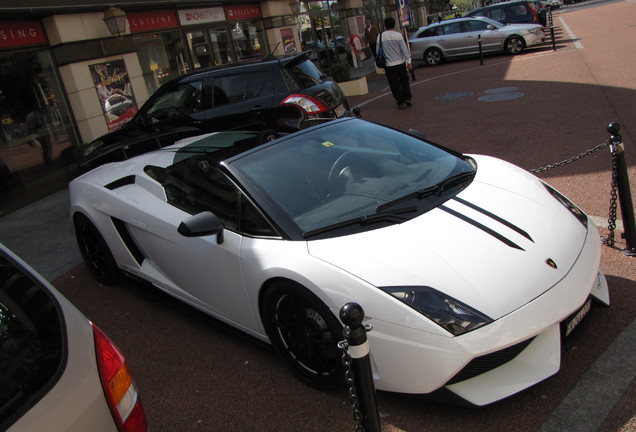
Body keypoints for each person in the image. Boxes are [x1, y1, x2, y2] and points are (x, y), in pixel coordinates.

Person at [376, 17, 413, 109]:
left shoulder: (380, 37)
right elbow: (404, 49)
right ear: (394, 24)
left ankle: (400, 101)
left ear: (385, 25)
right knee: (404, 80)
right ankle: (407, 96)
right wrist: (409, 62)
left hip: (389, 65)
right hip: (400, 62)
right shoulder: (398, 35)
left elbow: (377, 51)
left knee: (394, 83)